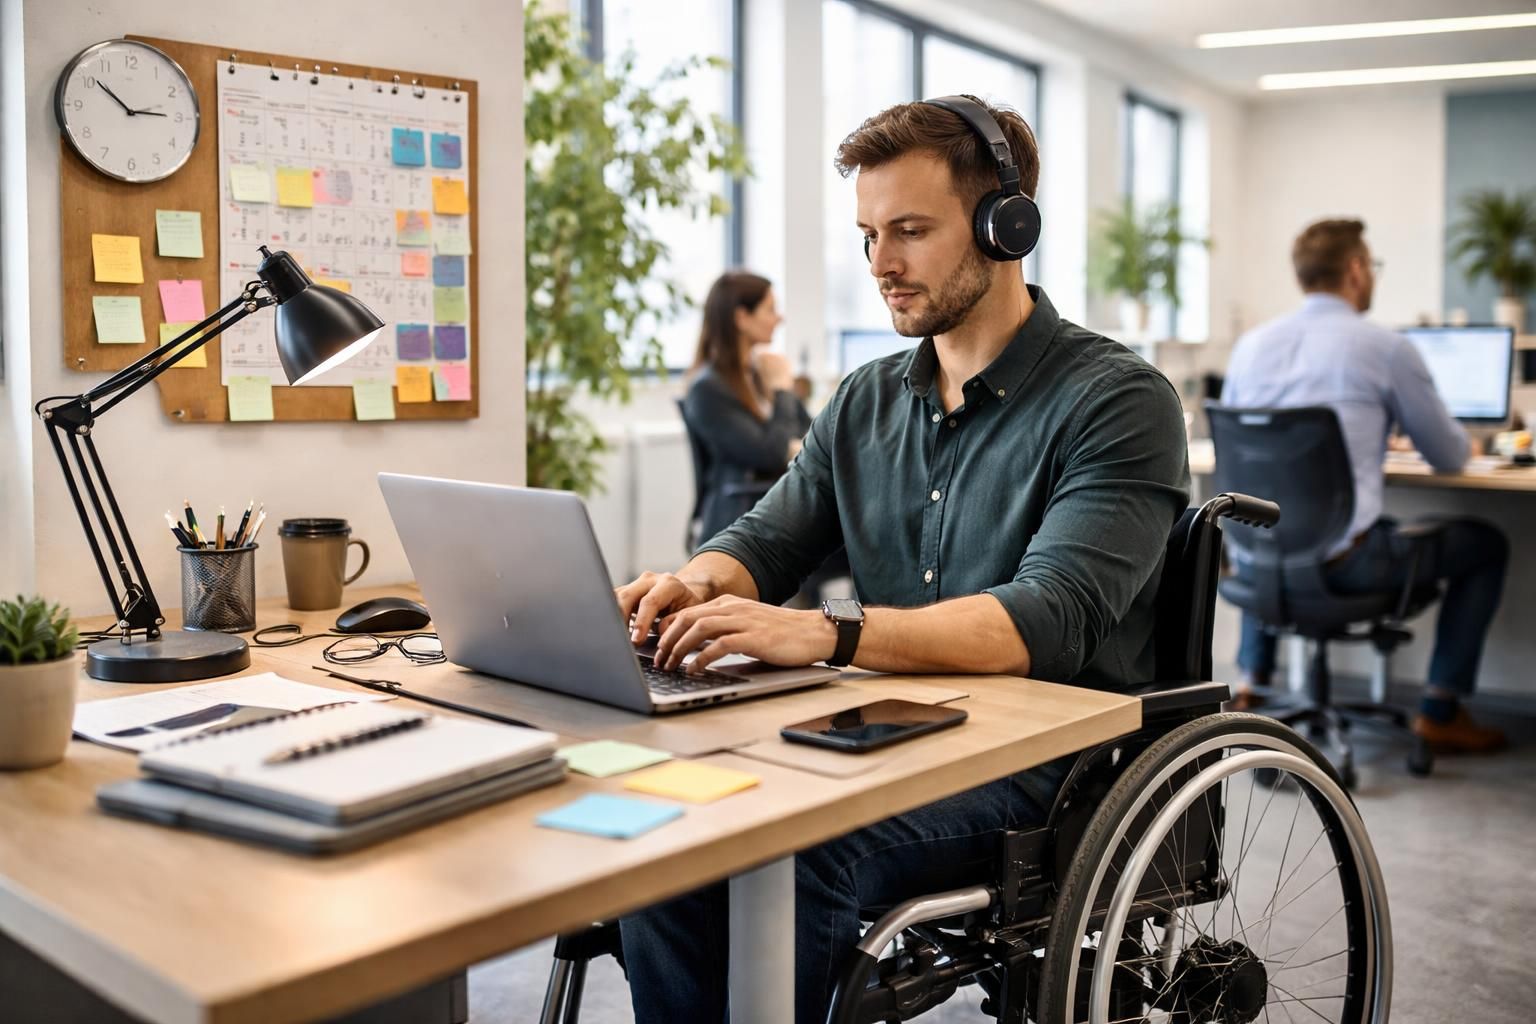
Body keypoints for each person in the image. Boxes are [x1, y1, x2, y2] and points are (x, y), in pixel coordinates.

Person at [616, 95, 1189, 1021]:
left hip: (1055, 761)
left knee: (788, 850)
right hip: (897, 730)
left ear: (1008, 227)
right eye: (870, 233)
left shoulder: (1117, 400)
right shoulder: (865, 400)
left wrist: (826, 635)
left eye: (911, 231)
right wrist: (691, 587)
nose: (881, 263)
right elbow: (768, 539)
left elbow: (1045, 616)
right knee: (679, 828)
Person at [1222, 218, 1508, 752]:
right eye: (1370, 265)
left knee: (1277, 522)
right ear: (1355, 270)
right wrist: (1468, 444)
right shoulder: (1387, 348)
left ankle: (1252, 686)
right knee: (1487, 544)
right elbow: (1446, 457)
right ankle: (1439, 711)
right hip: (1347, 566)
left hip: (1254, 561)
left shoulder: (1250, 347)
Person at [683, 272, 812, 547]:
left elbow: (811, 433)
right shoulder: (707, 390)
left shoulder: (757, 374)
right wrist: (782, 391)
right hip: (742, 515)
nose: (780, 318)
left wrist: (778, 388)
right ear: (741, 318)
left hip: (775, 504)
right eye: (770, 310)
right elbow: (771, 453)